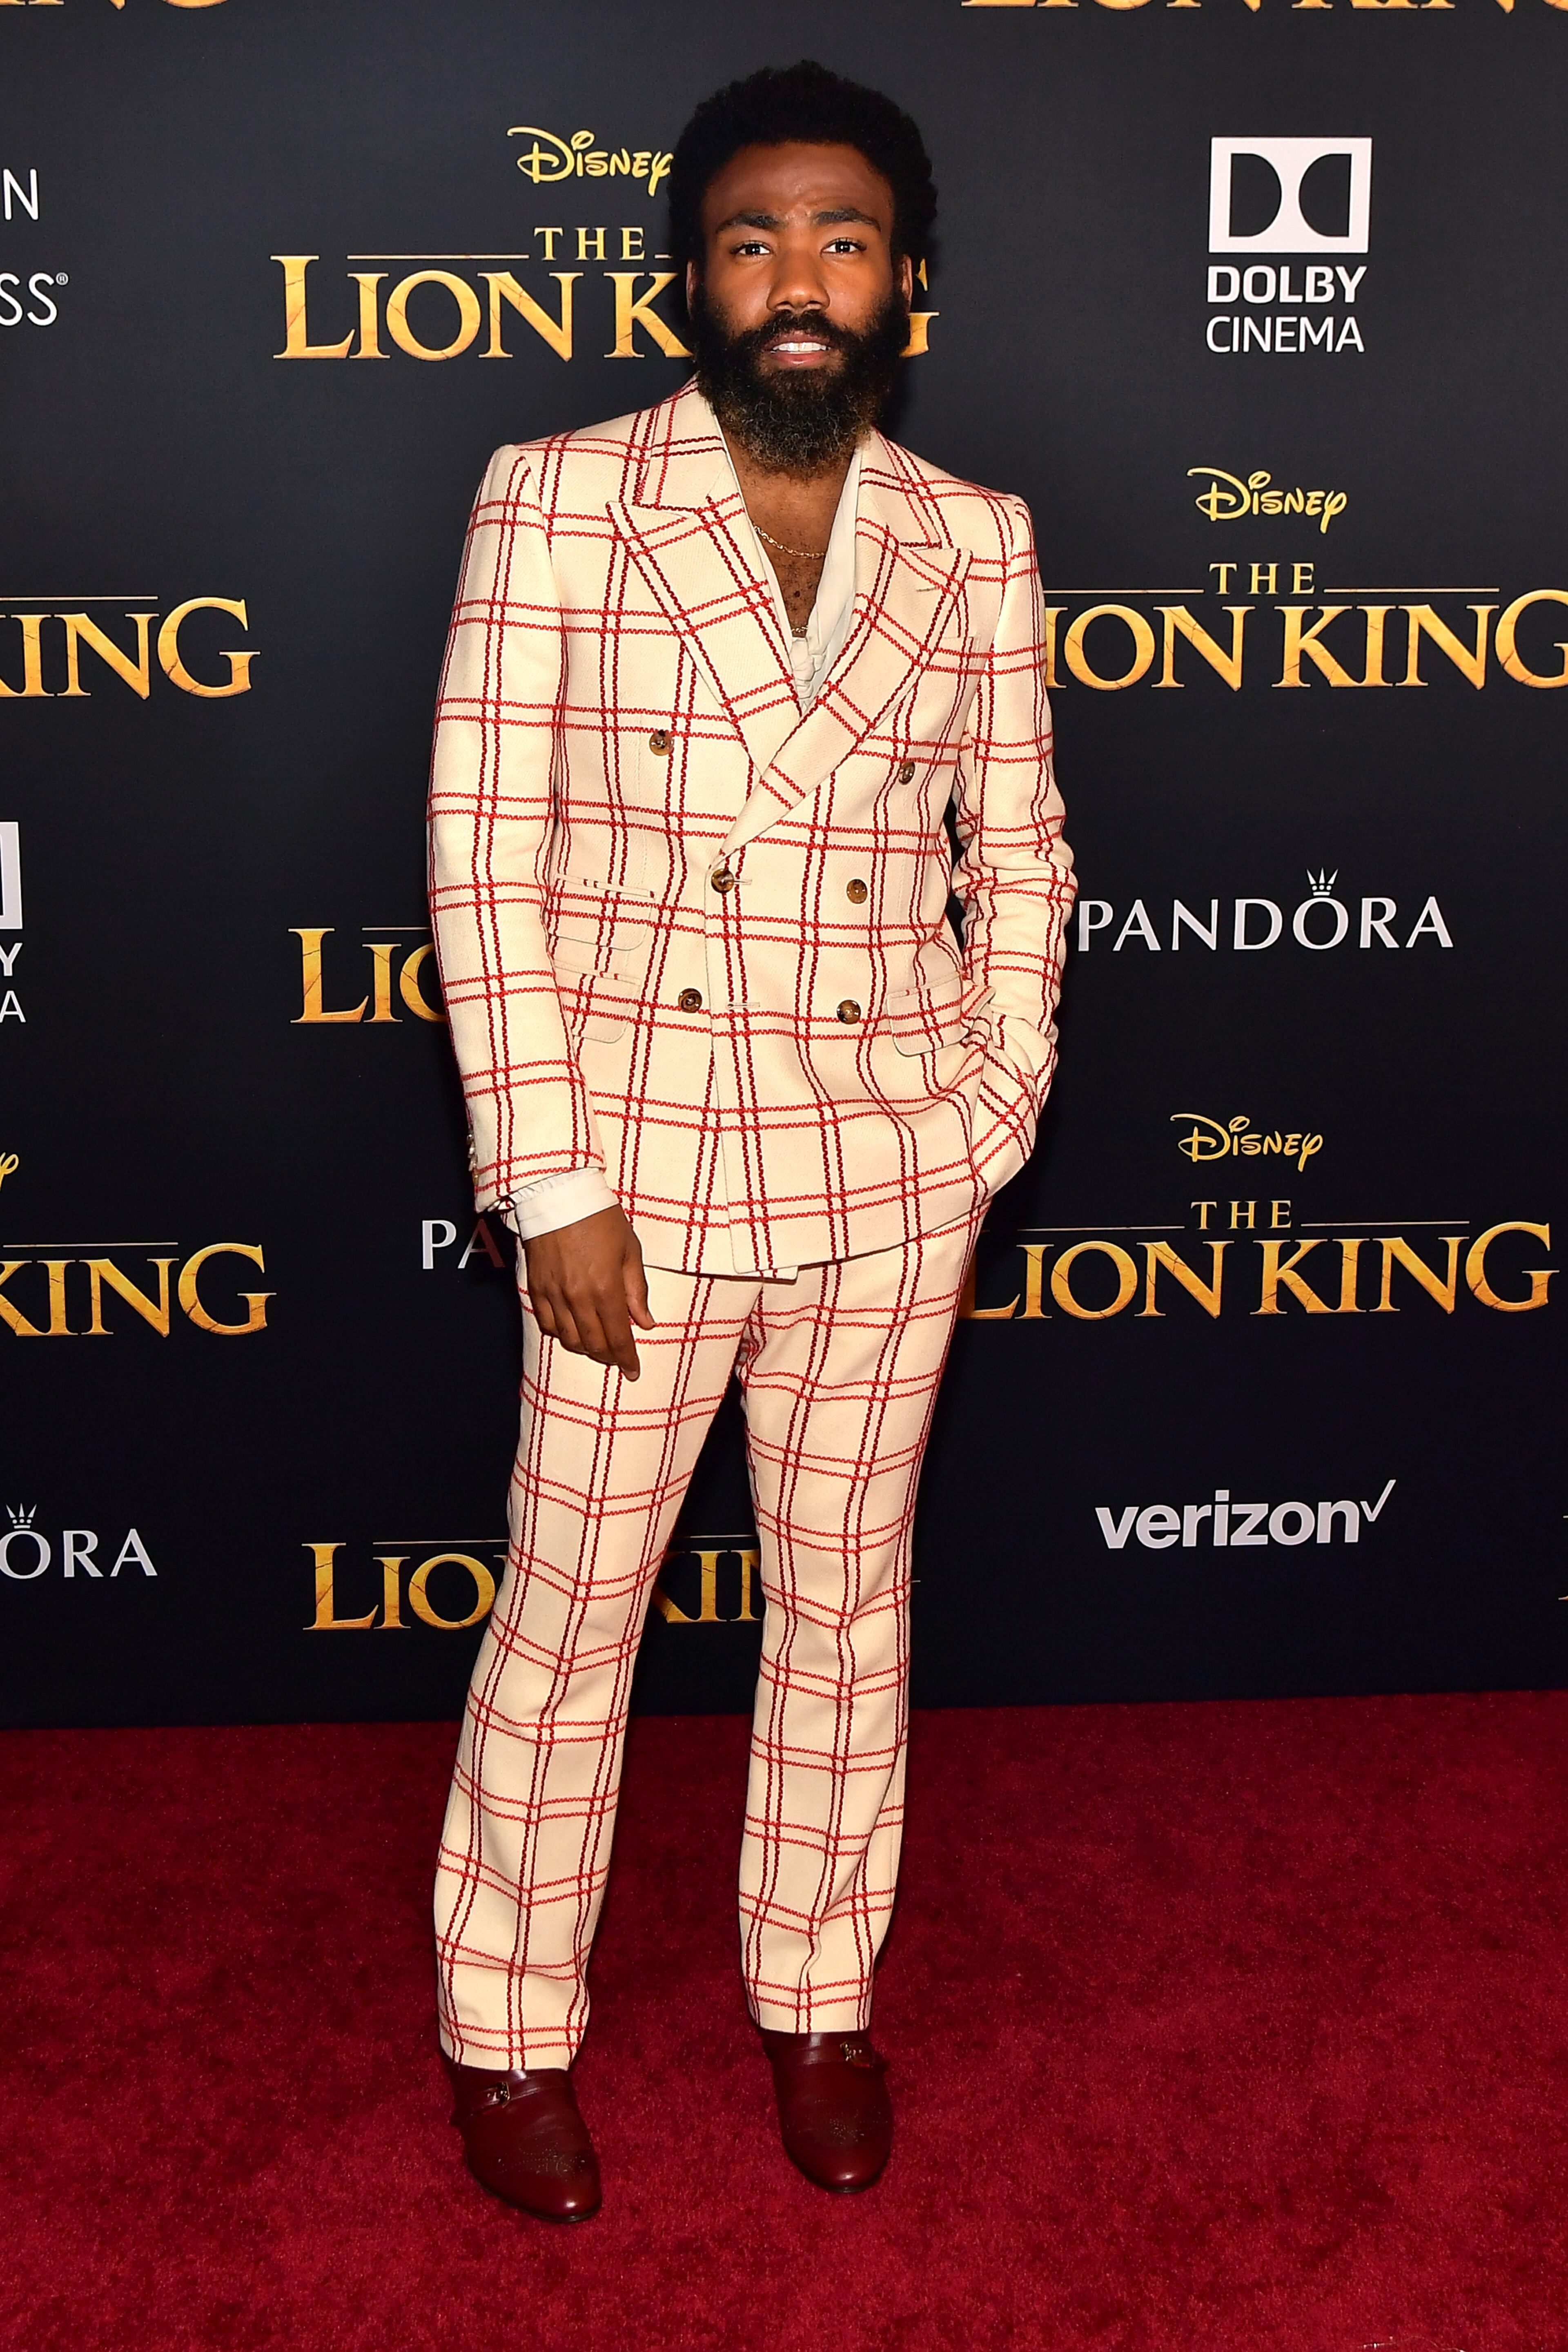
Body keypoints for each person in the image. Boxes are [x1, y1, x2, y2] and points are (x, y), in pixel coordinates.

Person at [427, 58, 1074, 2221]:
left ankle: (820, 2000)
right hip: (638, 1184)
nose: (798, 280)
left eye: (844, 240)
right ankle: (507, 2029)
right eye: (751, 239)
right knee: (573, 1610)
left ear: (906, 285)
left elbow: (1030, 844)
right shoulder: (556, 495)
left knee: (847, 1612)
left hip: (889, 1174)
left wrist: (989, 1113)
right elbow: (481, 855)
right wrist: (553, 1177)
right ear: (690, 276)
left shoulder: (970, 537)